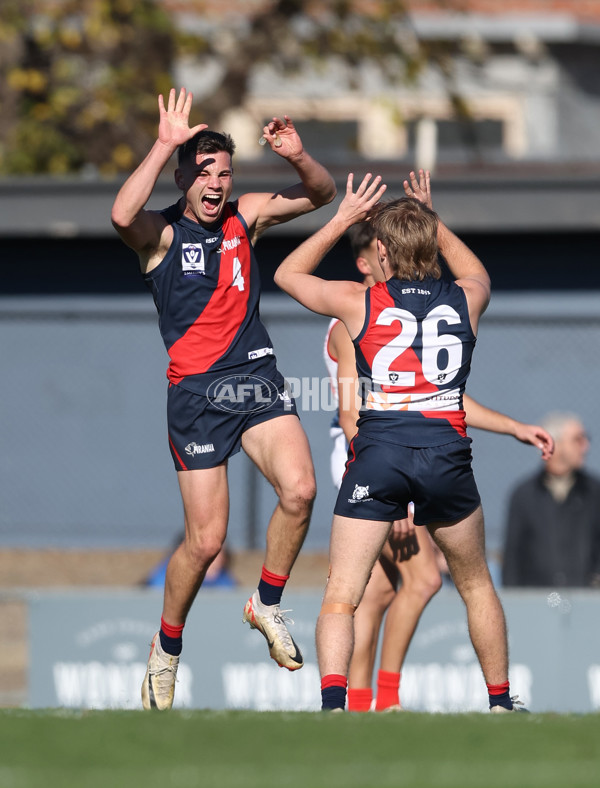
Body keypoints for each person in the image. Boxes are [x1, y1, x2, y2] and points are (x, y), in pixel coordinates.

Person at [111, 87, 336, 710]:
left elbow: (322, 194)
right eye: (204, 171)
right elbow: (120, 216)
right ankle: (166, 650)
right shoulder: (160, 235)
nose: (216, 183)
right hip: (196, 397)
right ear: (183, 176)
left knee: (301, 490)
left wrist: (297, 155)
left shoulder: (247, 216)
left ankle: (265, 603)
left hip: (256, 380)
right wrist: (162, 144)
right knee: (205, 543)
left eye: (225, 173)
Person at [275, 167, 525, 712]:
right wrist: (432, 218)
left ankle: (335, 708)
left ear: (382, 252)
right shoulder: (467, 298)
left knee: (343, 594)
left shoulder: (359, 302)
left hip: (380, 453)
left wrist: (341, 217)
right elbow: (477, 271)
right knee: (476, 583)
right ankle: (502, 704)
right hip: (447, 453)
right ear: (433, 243)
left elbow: (288, 274)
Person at [324, 221, 554, 711]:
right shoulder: (356, 310)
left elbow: (440, 397)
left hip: (388, 453)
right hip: (368, 453)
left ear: (385, 253)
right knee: (420, 580)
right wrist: (396, 499)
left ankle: (359, 703)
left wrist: (513, 426)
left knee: (379, 589)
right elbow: (349, 412)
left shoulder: (401, 308)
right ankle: (381, 700)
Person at [503, 412, 600, 588]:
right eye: (577, 439)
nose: (585, 446)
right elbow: (512, 558)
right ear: (555, 443)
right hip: (537, 606)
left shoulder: (595, 493)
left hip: (588, 605)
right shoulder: (524, 495)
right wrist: (513, 604)